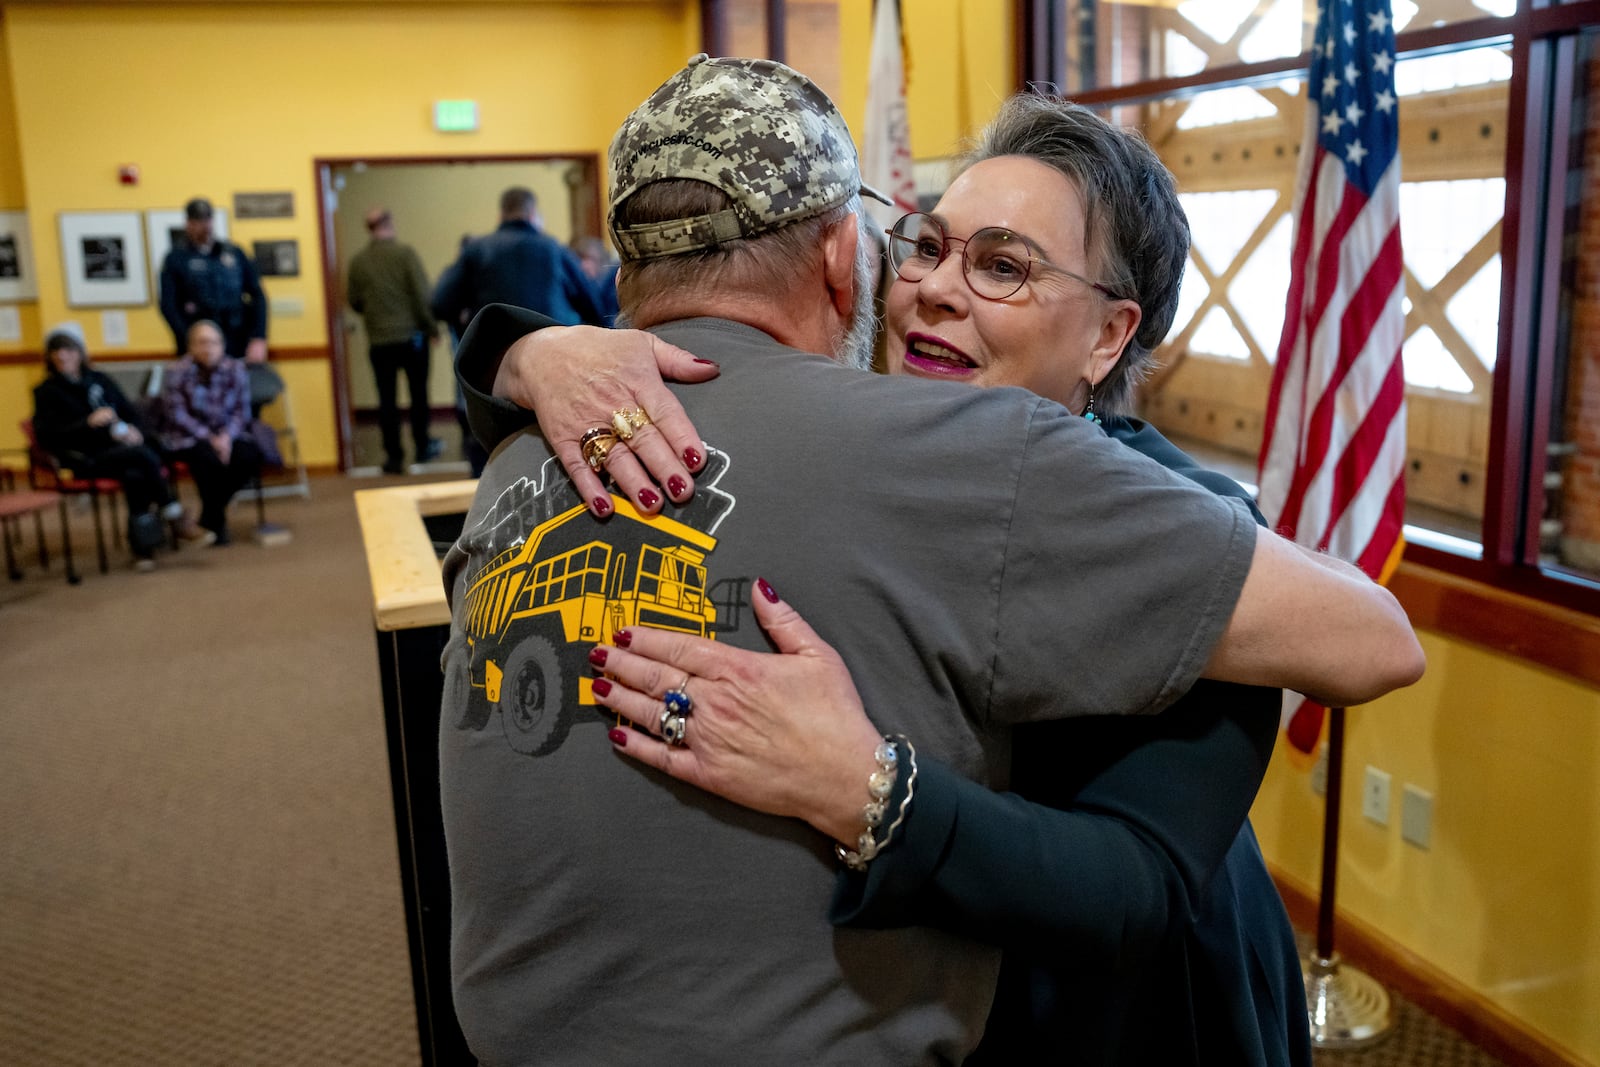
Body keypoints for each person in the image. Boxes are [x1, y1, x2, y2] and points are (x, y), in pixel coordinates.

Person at [439, 55, 1422, 1065]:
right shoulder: (894, 441)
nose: (937, 290)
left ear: (1108, 335)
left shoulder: (1183, 521)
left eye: (1002, 266)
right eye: (927, 247)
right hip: (941, 983)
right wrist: (529, 353)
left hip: (1123, 1009)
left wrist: (865, 786)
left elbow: (1137, 887)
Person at [31, 327, 205, 569]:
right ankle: (174, 514)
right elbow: (48, 436)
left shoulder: (99, 380)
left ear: (79, 353)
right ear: (49, 357)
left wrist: (134, 430)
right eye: (56, 352)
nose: (62, 356)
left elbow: (129, 411)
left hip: (119, 451)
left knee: (136, 472)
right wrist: (87, 423)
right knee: (141, 456)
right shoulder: (46, 392)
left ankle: (143, 550)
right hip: (84, 457)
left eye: (68, 350)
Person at [158, 196, 283, 413]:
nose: (203, 226)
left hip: (236, 340)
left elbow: (258, 296)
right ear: (188, 224)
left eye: (206, 220)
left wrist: (259, 337)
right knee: (201, 406)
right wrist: (189, 341)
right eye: (197, 221)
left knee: (245, 405)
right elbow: (168, 305)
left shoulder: (233, 253)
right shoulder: (176, 259)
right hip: (198, 344)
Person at [429, 186, 607, 333]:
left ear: (501, 214)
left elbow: (440, 304)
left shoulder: (476, 250)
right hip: (547, 351)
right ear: (532, 214)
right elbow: (593, 304)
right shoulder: (553, 249)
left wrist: (466, 325)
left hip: (493, 355)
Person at [346, 206, 442, 474]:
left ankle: (393, 457)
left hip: (379, 341)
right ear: (390, 223)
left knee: (386, 399)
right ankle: (422, 446)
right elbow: (422, 296)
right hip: (412, 338)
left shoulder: (358, 261)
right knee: (418, 394)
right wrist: (432, 328)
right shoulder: (405, 255)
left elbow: (354, 301)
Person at [158, 320, 262, 546]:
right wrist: (211, 439)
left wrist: (225, 437)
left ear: (222, 346)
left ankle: (210, 516)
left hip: (228, 434)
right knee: (206, 459)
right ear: (191, 346)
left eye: (214, 342)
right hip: (190, 437)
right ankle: (217, 522)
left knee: (250, 456)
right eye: (202, 342)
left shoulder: (235, 369)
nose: (208, 348)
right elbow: (177, 415)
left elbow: (241, 412)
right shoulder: (177, 372)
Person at [570, 234, 621, 326]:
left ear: (601, 261)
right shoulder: (573, 292)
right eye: (579, 259)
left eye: (589, 259)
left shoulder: (612, 285)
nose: (584, 265)